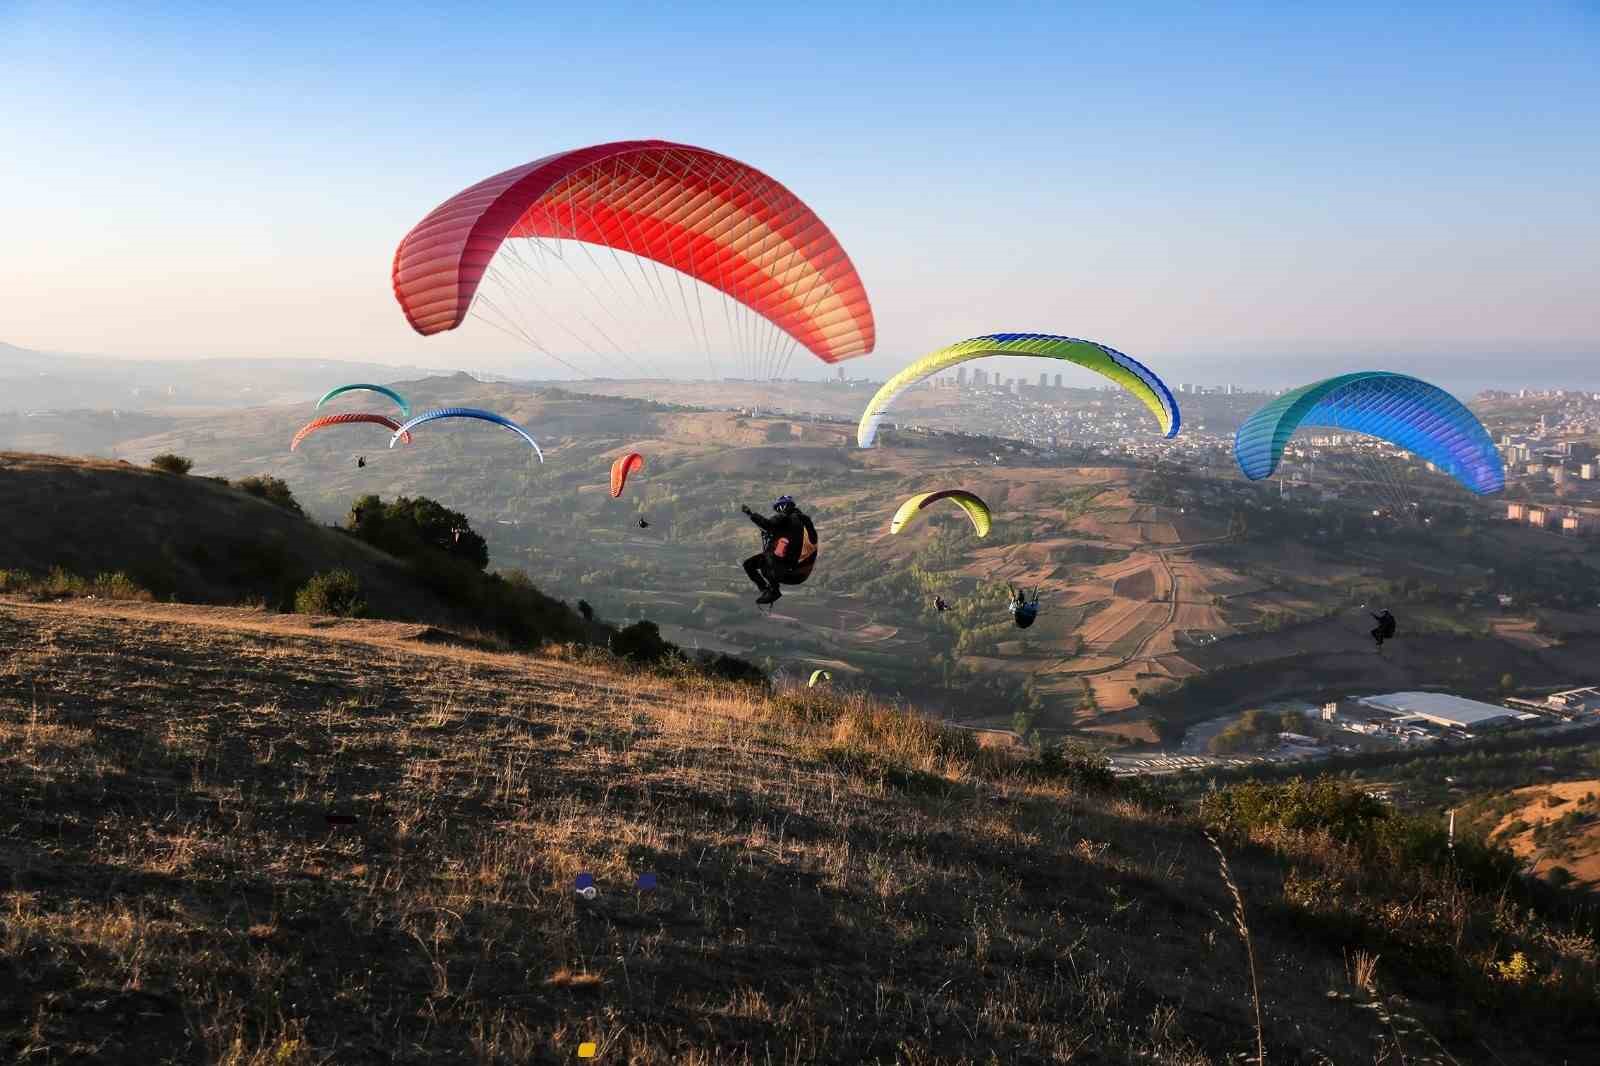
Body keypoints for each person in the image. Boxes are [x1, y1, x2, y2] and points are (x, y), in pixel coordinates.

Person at [741, 495, 816, 606]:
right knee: (765, 563)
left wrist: (750, 514)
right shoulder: (804, 520)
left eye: (778, 509)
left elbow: (767, 524)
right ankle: (771, 590)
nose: (777, 512)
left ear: (783, 507)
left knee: (750, 565)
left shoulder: (785, 517)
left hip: (783, 564)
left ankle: (770, 590)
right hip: (797, 566)